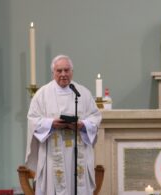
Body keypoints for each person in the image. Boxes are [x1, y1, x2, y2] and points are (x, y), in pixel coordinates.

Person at [25, 54, 102, 195]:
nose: (63, 74)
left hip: (77, 152)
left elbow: (95, 117)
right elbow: (33, 119)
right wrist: (51, 123)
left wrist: (82, 125)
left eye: (67, 70)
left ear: (72, 72)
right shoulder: (42, 94)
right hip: (51, 154)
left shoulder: (82, 93)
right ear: (53, 72)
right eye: (59, 71)